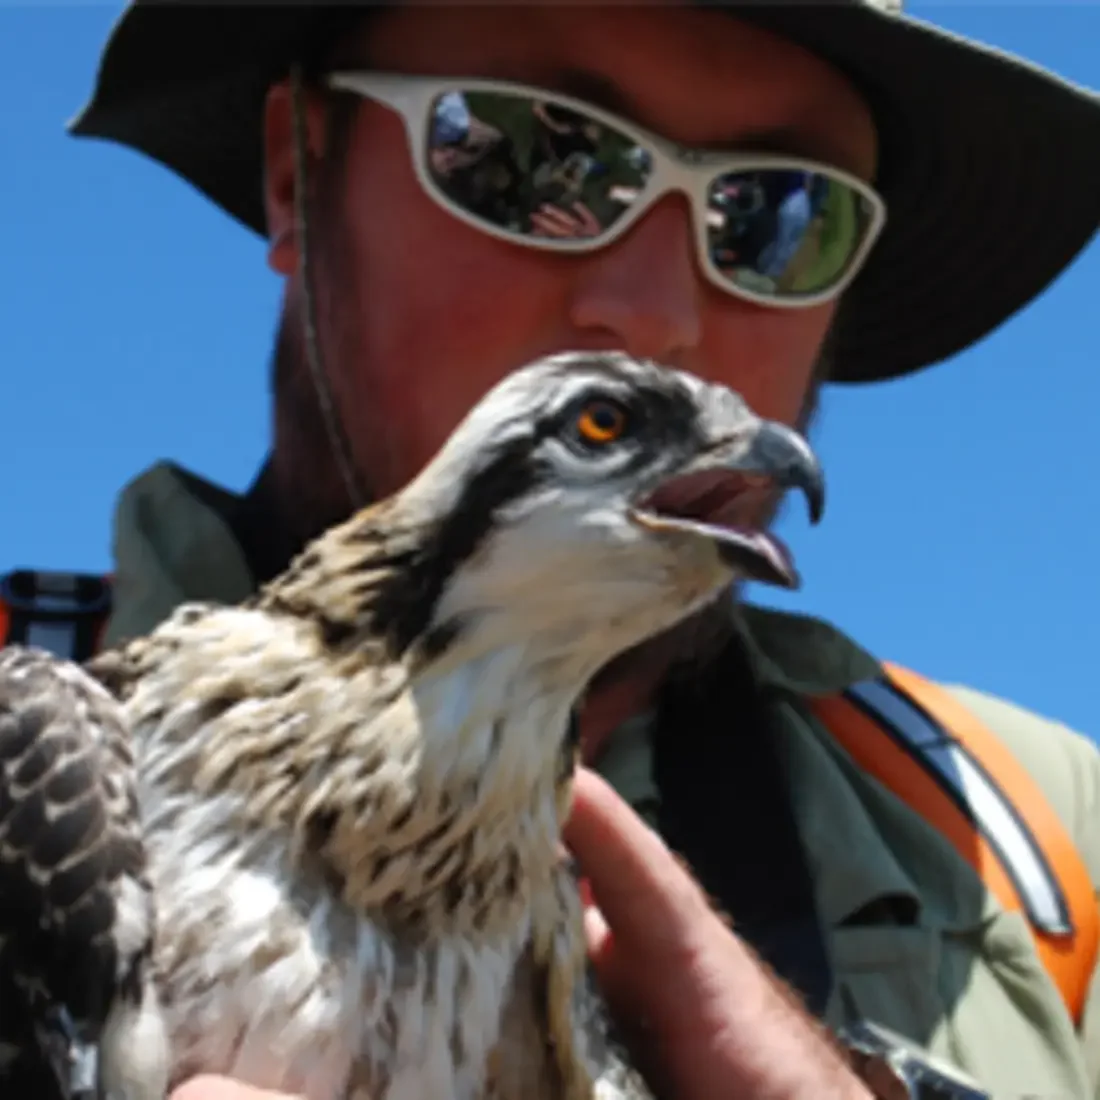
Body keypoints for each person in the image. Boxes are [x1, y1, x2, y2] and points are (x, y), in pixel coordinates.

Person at [22, 2, 1100, 1098]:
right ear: (298, 169)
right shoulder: (35, 740)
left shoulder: (1043, 839)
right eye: (538, 154)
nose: (655, 312)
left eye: (780, 214)